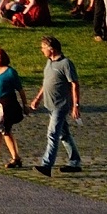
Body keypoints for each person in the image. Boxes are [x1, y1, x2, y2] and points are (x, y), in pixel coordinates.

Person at [34, 36, 83, 177]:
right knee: (63, 134)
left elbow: (74, 84)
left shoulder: (66, 64)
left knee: (52, 134)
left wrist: (75, 105)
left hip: (60, 106)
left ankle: (46, 165)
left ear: (52, 49)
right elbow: (46, 82)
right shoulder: (49, 63)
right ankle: (75, 161)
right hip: (49, 105)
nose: (42, 50)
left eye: (43, 47)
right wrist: (37, 98)